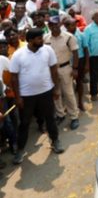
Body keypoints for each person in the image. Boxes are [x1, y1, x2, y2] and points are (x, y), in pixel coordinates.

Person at [9, 28, 64, 164]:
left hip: (46, 92)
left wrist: (56, 89)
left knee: (50, 118)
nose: (42, 40)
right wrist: (18, 97)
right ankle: (20, 151)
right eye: (39, 38)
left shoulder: (47, 50)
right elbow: (14, 78)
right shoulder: (18, 55)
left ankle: (55, 141)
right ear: (31, 40)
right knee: (25, 123)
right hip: (27, 96)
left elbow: (54, 70)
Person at [44, 16, 80, 130]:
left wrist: (75, 68)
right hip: (51, 69)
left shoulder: (68, 37)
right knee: (56, 93)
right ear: (49, 26)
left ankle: (74, 116)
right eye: (51, 25)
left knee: (68, 93)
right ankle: (60, 114)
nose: (54, 27)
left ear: (60, 24)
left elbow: (75, 53)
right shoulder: (46, 38)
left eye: (56, 24)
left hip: (65, 67)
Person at [65, 17, 89, 111]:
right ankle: (69, 105)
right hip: (68, 62)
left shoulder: (81, 35)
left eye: (75, 24)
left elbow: (86, 49)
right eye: (71, 25)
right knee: (68, 84)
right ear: (66, 27)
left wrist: (87, 64)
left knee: (79, 82)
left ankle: (80, 102)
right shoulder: (64, 36)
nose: (74, 26)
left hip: (80, 60)